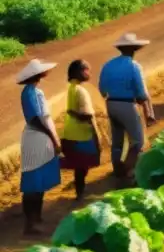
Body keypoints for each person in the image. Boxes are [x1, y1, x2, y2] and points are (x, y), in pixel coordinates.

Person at [99, 33, 155, 181]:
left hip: (111, 103)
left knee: (117, 142)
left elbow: (102, 89)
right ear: (134, 49)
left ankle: (117, 169)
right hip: (127, 105)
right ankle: (127, 168)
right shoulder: (134, 66)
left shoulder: (108, 65)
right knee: (137, 141)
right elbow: (141, 93)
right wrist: (147, 109)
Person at [16, 59, 61, 234]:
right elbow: (37, 119)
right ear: (38, 75)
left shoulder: (32, 91)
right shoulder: (31, 93)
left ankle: (36, 218)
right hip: (37, 137)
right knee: (34, 182)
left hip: (38, 136)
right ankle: (31, 223)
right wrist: (53, 138)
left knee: (38, 181)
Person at [60, 59, 102, 200]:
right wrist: (97, 135)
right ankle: (81, 193)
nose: (89, 73)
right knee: (83, 165)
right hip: (82, 134)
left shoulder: (71, 88)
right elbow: (88, 116)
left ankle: (79, 191)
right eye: (87, 70)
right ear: (79, 72)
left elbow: (72, 111)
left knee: (79, 165)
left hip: (70, 132)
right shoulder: (81, 90)